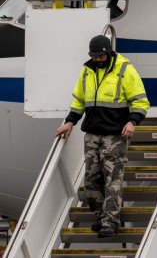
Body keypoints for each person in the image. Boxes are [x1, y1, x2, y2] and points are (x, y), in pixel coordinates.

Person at [54, 35, 150, 238]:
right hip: (92, 134)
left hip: (114, 135)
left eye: (100, 56)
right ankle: (100, 215)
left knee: (112, 180)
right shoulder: (87, 70)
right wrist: (70, 121)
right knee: (91, 179)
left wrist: (132, 122)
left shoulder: (124, 69)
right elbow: (79, 99)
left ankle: (111, 221)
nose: (97, 59)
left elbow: (141, 101)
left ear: (108, 52)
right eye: (94, 56)